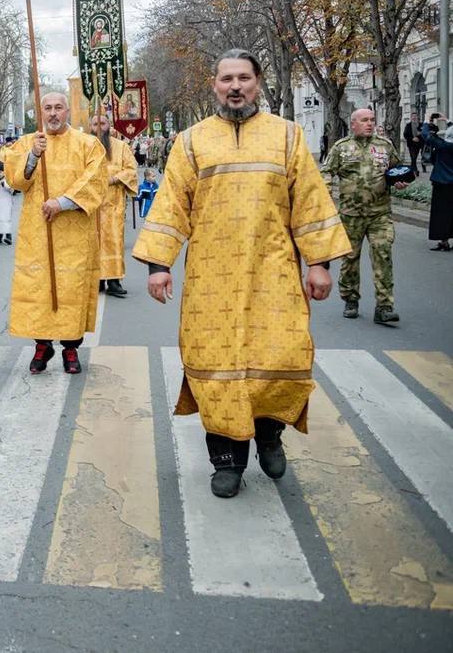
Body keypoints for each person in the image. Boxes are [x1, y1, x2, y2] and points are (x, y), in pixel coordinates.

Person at [133, 49, 350, 499]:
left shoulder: (287, 137)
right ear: (214, 85)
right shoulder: (192, 142)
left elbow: (310, 201)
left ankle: (269, 436)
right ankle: (227, 460)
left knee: (278, 357)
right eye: (227, 78)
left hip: (274, 272)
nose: (236, 87)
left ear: (257, 83)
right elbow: (172, 205)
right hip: (211, 277)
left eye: (244, 78)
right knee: (216, 366)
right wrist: (159, 267)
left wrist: (319, 264)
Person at [5, 92, 105, 376]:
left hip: (74, 233)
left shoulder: (87, 144)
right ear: (40, 112)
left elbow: (95, 182)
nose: (52, 113)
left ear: (67, 111)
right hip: (37, 230)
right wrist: (33, 156)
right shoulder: (28, 142)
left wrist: (61, 202)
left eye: (58, 107)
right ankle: (42, 345)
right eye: (47, 108)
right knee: (39, 287)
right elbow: (15, 180)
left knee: (70, 288)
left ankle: (71, 348)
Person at [322, 108, 405, 323]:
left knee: (383, 256)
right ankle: (350, 299)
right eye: (364, 120)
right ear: (353, 124)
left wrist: (400, 180)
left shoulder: (384, 146)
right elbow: (326, 172)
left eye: (372, 120)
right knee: (350, 259)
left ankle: (384, 306)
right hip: (351, 215)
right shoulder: (342, 148)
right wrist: (327, 195)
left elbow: (397, 169)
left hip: (380, 214)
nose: (369, 124)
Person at [90, 112, 138, 297]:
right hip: (92, 206)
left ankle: (114, 280)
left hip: (113, 206)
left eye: (102, 123)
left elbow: (131, 171)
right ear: (90, 127)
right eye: (95, 124)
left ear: (108, 126)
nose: (99, 127)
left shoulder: (121, 147)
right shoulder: (85, 147)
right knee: (94, 244)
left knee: (114, 242)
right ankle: (98, 280)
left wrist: (113, 179)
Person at [422, 115, 453, 251]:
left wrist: (427, 120)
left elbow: (425, 135)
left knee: (441, 214)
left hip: (442, 183)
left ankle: (444, 241)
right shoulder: (445, 144)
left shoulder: (443, 145)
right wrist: (448, 121)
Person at [0, 158, 16, 245]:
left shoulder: (7, 179)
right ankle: (0, 236)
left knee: (5, 218)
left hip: (6, 202)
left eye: (1, 172)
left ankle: (8, 236)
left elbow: (11, 189)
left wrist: (3, 183)